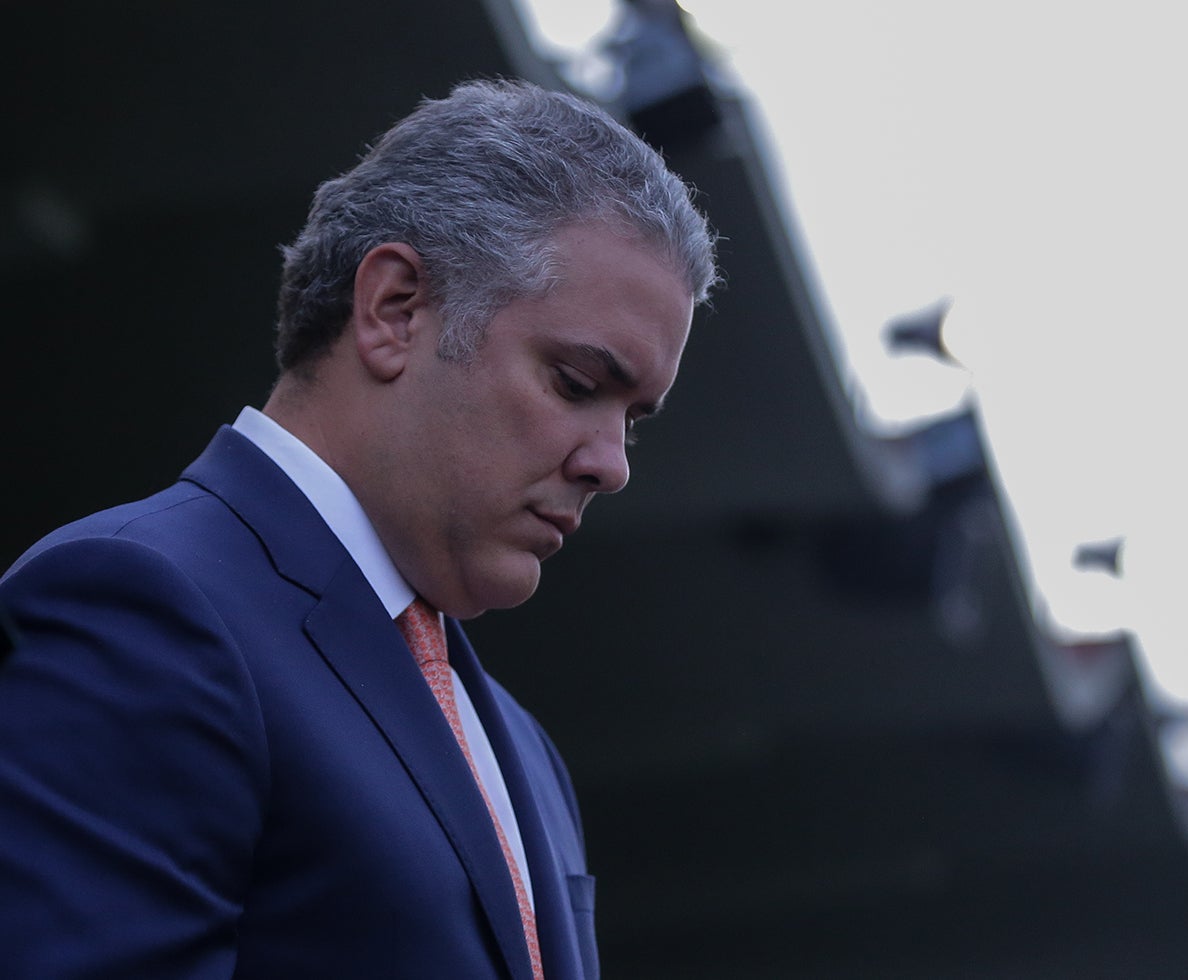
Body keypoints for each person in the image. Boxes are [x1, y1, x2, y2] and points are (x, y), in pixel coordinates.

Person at [0, 77, 717, 979]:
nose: (610, 465)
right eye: (577, 384)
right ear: (394, 309)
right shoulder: (140, 607)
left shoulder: (524, 751)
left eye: (634, 419)